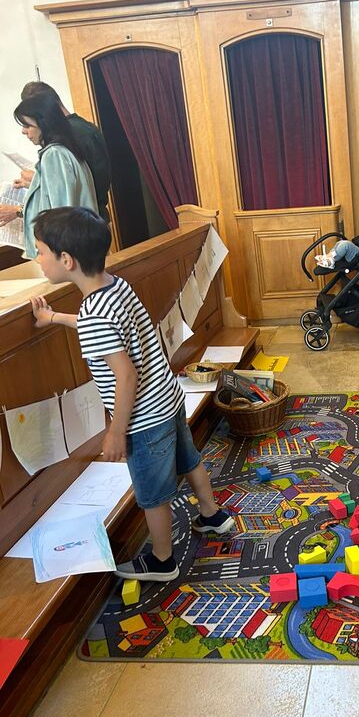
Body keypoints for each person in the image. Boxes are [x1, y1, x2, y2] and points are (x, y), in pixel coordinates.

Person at [29, 206, 235, 583]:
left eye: (40, 251)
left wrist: (115, 431)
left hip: (144, 420)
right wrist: (55, 318)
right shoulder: (114, 286)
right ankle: (212, 515)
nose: (37, 259)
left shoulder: (94, 314)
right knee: (189, 460)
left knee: (152, 494)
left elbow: (125, 375)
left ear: (66, 260)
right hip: (168, 399)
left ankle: (162, 560)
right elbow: (102, 328)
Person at [0, 95, 97, 259]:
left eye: (27, 125)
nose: (23, 131)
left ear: (43, 124)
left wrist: (19, 210)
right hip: (76, 246)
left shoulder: (54, 154)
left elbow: (60, 212)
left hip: (67, 252)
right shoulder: (65, 149)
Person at [19, 81, 111, 221]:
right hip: (92, 218)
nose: (24, 131)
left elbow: (73, 193)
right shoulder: (85, 127)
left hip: (81, 222)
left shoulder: (64, 139)